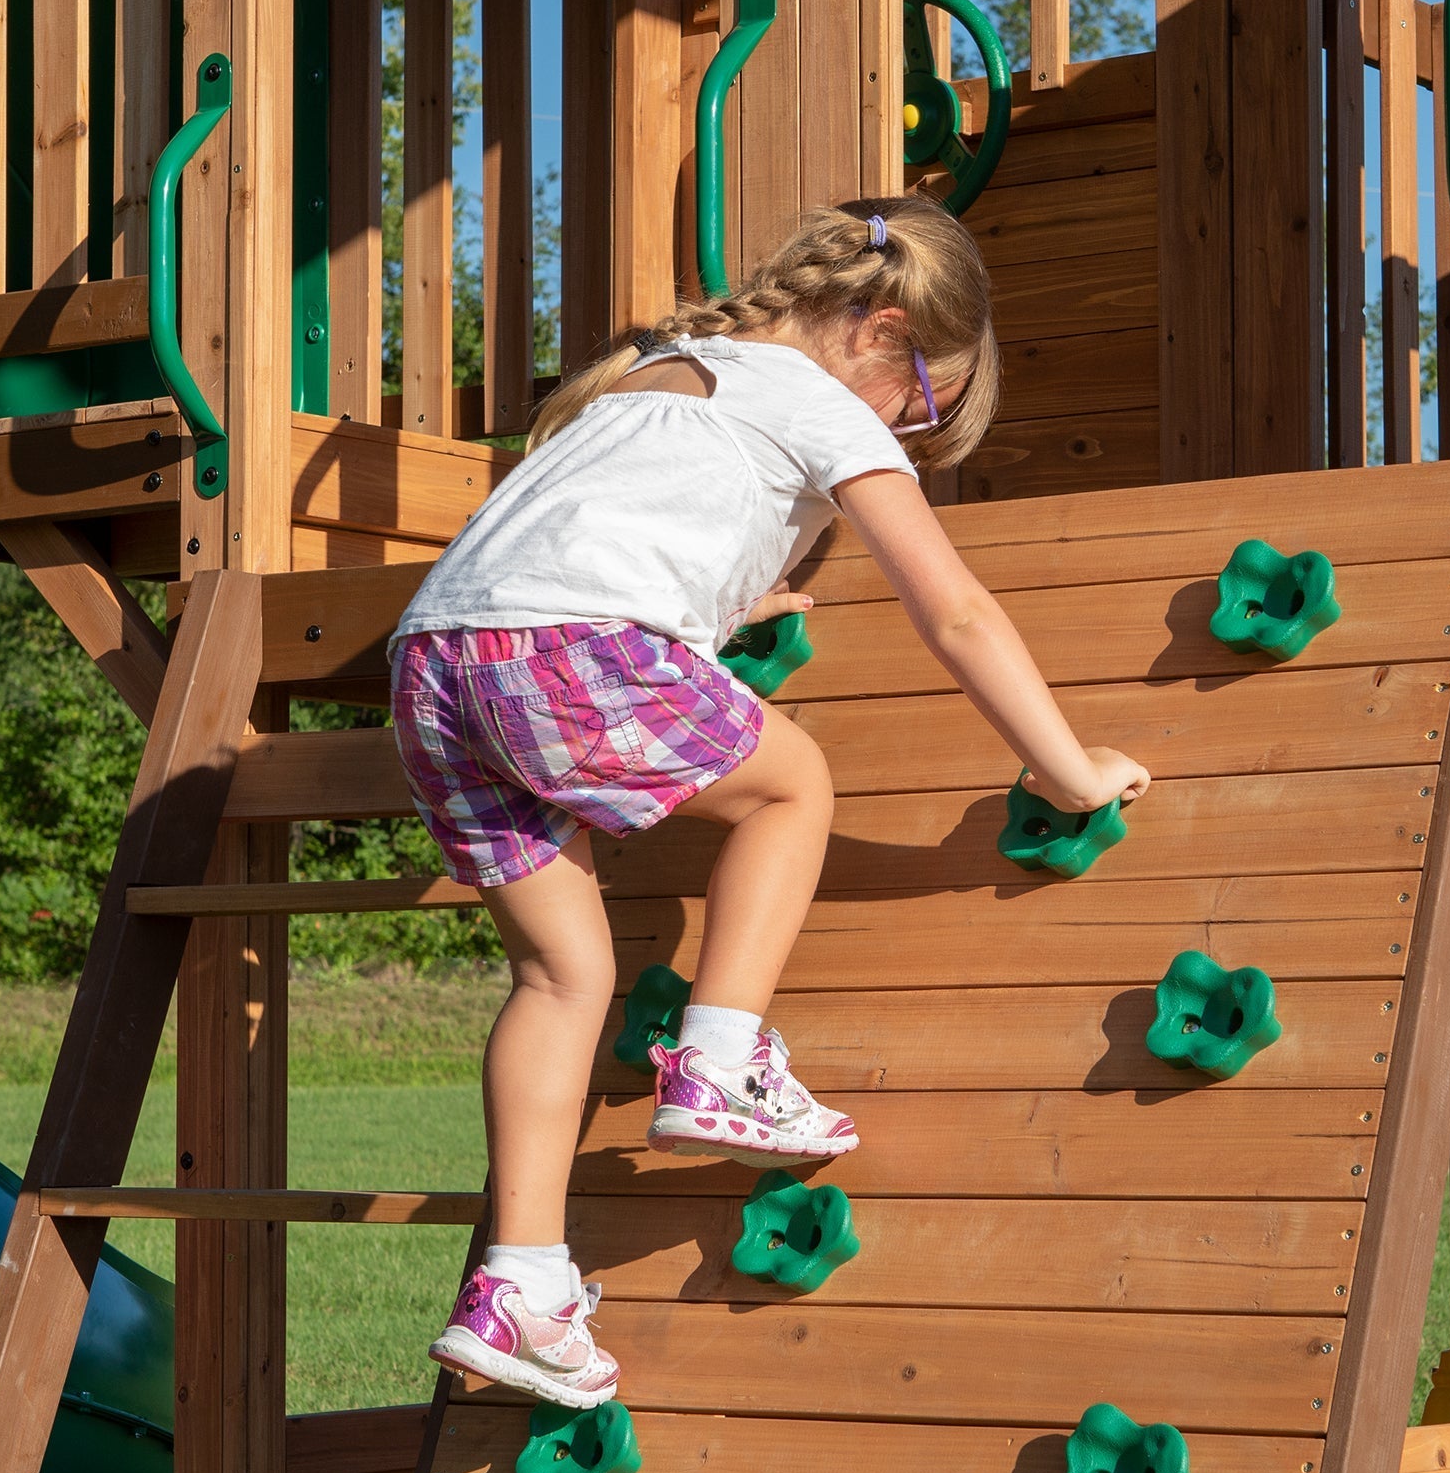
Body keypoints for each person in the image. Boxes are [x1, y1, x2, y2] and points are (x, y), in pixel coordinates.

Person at [387, 195, 1151, 1407]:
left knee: (560, 976)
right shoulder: (809, 396)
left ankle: (520, 1286)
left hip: (435, 668)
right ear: (880, 330)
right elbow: (951, 609)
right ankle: (719, 1063)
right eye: (926, 405)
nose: (911, 428)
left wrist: (721, 607)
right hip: (563, 649)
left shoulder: (659, 373)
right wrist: (1068, 765)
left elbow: (597, 532)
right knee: (789, 783)